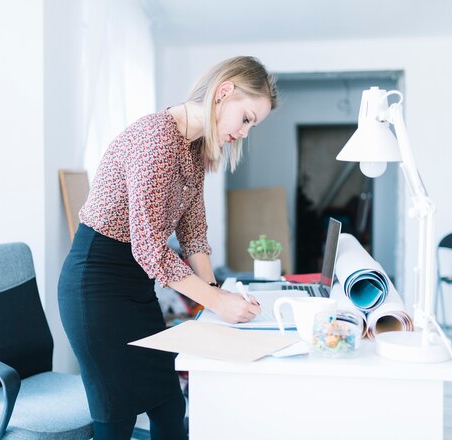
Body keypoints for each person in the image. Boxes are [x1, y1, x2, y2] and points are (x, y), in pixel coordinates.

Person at [58, 56, 278, 440]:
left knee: (169, 405)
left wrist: (215, 297)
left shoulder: (195, 150)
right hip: (95, 286)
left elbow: (193, 233)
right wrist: (217, 304)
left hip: (134, 287)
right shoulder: (156, 141)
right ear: (223, 92)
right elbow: (150, 251)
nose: (244, 132)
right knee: (117, 416)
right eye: (246, 119)